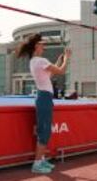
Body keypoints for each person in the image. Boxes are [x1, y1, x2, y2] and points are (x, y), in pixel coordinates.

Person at [16, 33, 72, 174]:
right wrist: (67, 59)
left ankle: (40, 160)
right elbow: (61, 71)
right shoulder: (40, 61)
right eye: (42, 44)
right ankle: (37, 163)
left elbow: (51, 74)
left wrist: (59, 61)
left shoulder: (35, 62)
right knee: (44, 132)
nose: (44, 46)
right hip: (44, 98)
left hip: (44, 97)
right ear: (36, 46)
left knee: (44, 131)